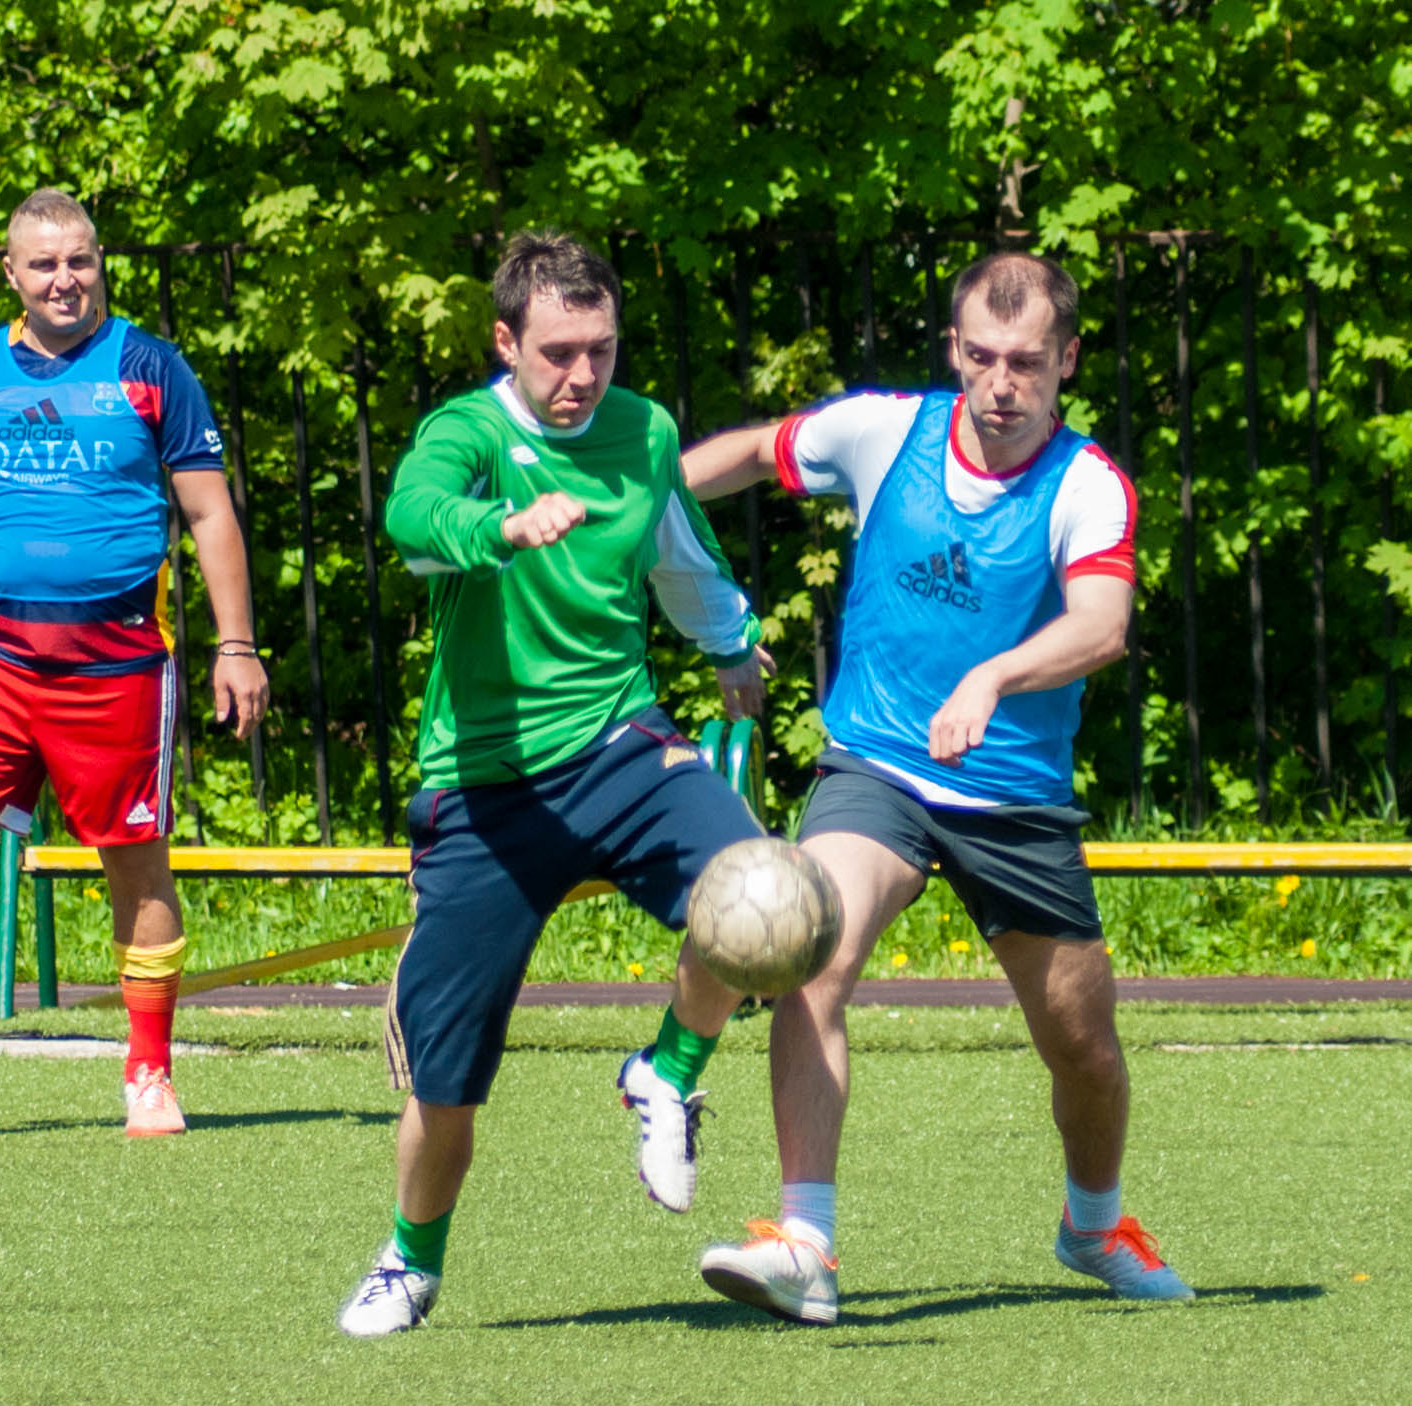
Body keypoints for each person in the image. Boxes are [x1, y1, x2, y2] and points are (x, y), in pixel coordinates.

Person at [683, 251, 1192, 1323]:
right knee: (813, 950)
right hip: (878, 767)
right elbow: (756, 452)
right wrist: (633, 494)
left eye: (1028, 362)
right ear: (956, 348)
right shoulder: (886, 432)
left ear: (1068, 361)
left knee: (1084, 1050)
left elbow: (1103, 627)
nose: (1003, 383)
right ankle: (805, 1243)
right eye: (984, 356)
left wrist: (993, 676)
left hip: (1014, 799)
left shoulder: (1087, 484)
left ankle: (1095, 1225)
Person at [337, 230, 775, 1338]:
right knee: (445, 1083)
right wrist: (500, 525)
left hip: (620, 746)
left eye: (602, 350)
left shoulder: (644, 430)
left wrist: (731, 645)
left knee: (765, 893)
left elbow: (679, 549)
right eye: (559, 353)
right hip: (485, 788)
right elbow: (412, 517)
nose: (583, 375)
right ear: (506, 342)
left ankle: (668, 1071)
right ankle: (411, 1260)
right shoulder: (469, 432)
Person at [0, 188, 268, 1140]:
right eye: (43, 264)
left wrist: (236, 645)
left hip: (117, 660)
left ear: (99, 262)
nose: (64, 279)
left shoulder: (152, 367)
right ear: (12, 274)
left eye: (78, 259)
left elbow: (209, 512)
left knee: (134, 863)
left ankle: (150, 1075)